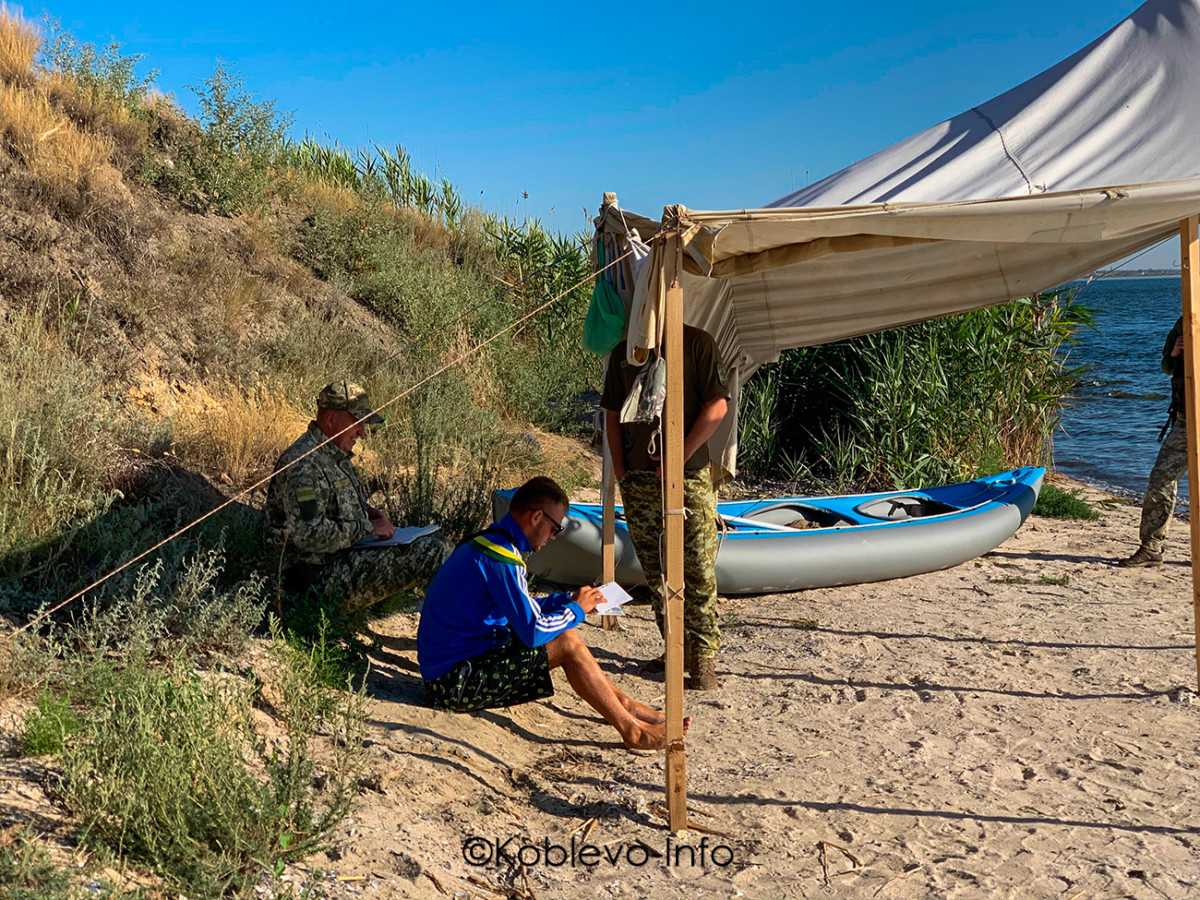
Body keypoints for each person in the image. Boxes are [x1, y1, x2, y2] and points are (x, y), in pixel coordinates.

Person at [417, 477, 684, 750]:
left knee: (565, 631)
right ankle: (633, 731)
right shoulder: (501, 558)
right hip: (453, 685)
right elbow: (533, 632)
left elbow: (522, 609)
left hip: (454, 669)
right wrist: (577, 610)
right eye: (556, 528)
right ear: (536, 517)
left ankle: (624, 705)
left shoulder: (486, 542)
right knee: (566, 641)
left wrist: (568, 599)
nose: (553, 538)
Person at [600, 327, 731, 690]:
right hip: (640, 479)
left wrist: (679, 455)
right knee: (656, 569)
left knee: (698, 568)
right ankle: (676, 647)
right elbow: (612, 413)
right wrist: (623, 470)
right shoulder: (626, 350)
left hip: (688, 476)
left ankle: (703, 658)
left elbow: (717, 405)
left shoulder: (697, 343)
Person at [266, 381, 450, 611]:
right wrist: (367, 528)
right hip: (310, 581)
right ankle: (458, 638)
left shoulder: (336, 455)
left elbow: (336, 510)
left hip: (339, 562)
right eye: (357, 422)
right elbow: (308, 535)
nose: (363, 431)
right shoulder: (303, 465)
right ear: (331, 419)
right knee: (430, 553)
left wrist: (367, 513)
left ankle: (462, 628)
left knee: (440, 543)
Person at [1119, 317, 1186, 568]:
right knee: (1161, 479)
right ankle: (1151, 547)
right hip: (1185, 419)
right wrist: (1175, 352)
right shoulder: (1183, 322)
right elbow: (1167, 367)